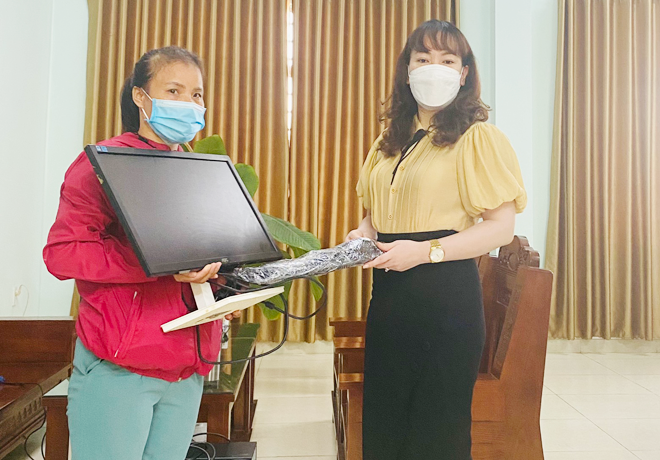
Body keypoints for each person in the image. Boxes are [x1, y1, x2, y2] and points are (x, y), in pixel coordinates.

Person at [43, 46, 239, 460]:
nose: (188, 104)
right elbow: (63, 253)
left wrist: (223, 290)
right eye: (174, 90)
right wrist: (157, 261)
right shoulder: (103, 163)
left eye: (197, 95)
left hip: (187, 363)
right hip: (121, 366)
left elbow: (200, 257)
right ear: (139, 97)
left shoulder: (197, 168)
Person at [345, 20, 527, 459]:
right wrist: (363, 232)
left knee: (435, 432)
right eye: (422, 59)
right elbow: (376, 211)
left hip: (445, 298)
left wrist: (426, 252)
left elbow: (501, 227)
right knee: (386, 423)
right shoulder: (390, 139)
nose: (433, 68)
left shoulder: (477, 136)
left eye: (447, 60)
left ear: (464, 73)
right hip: (389, 293)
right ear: (406, 70)